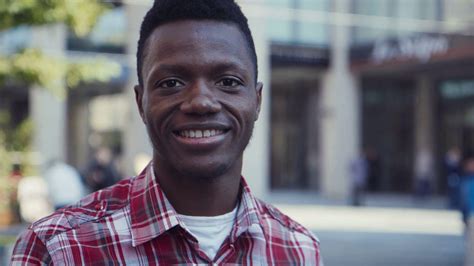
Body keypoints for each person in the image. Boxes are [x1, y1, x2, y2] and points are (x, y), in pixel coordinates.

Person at [11, 0, 322, 265]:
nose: (201, 102)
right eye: (171, 83)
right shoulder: (57, 248)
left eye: (228, 81)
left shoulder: (299, 249)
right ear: (140, 102)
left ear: (257, 101)